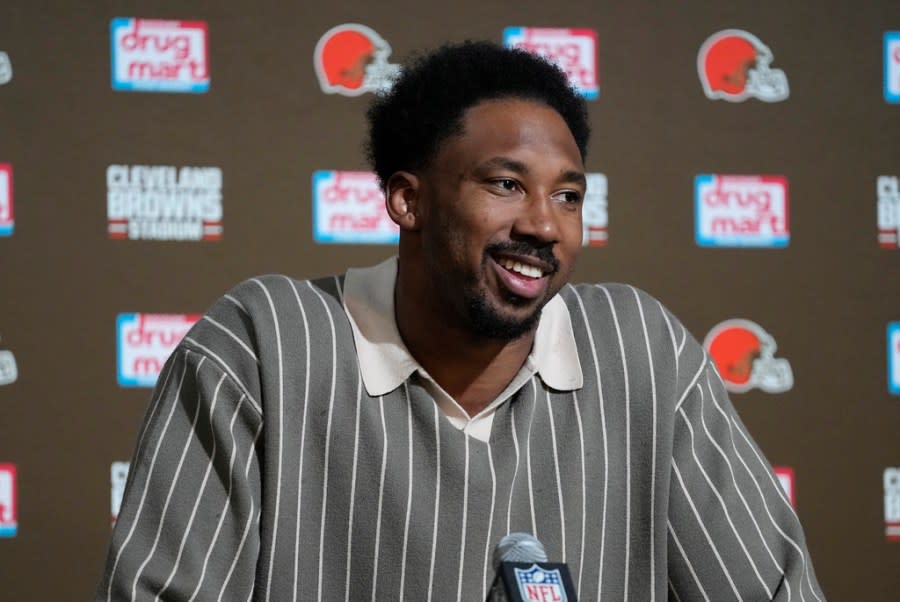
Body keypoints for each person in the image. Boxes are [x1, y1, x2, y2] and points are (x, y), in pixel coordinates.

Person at [96, 41, 824, 601]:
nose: (544, 225)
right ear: (408, 201)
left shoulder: (644, 355)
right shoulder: (260, 348)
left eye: (568, 197)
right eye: (506, 185)